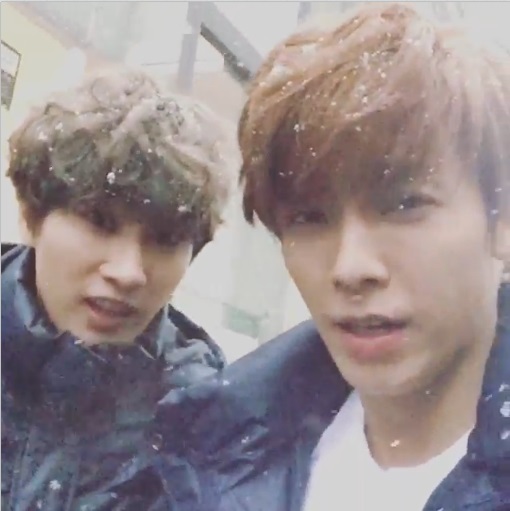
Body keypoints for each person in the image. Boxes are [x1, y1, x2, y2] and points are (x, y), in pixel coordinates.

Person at [151, 3, 510, 510]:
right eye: (309, 218)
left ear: (500, 220)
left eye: (404, 205)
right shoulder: (210, 451)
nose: (350, 268)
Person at [1, 69, 236, 510]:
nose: (129, 273)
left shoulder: (204, 425)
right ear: (32, 216)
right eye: (99, 222)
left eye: (165, 239)